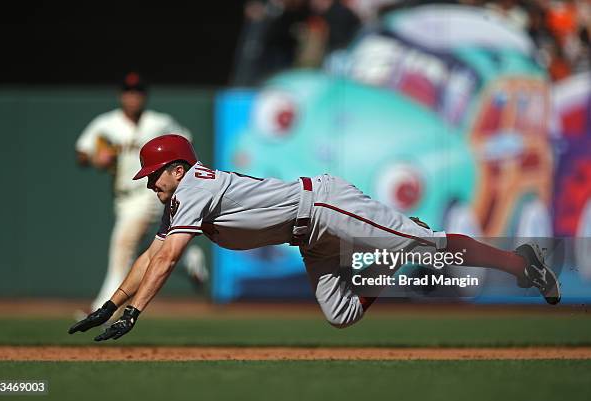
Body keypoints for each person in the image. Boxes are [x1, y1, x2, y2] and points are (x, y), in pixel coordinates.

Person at [69, 135, 561, 341]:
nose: (150, 184)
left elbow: (169, 260)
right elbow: (152, 255)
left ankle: (522, 263)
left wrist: (136, 313)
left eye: (155, 175)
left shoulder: (194, 186)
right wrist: (111, 304)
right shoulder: (178, 199)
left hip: (326, 206)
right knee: (341, 315)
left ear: (178, 169)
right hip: (307, 236)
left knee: (431, 246)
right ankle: (388, 265)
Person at [75, 74, 208, 315]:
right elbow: (82, 153)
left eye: (137, 92)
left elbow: (186, 143)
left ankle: (102, 310)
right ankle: (189, 258)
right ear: (121, 95)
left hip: (149, 193)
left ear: (144, 96)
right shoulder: (106, 124)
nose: (133, 96)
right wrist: (96, 157)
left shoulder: (160, 122)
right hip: (122, 197)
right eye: (128, 91)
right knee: (149, 248)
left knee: (123, 246)